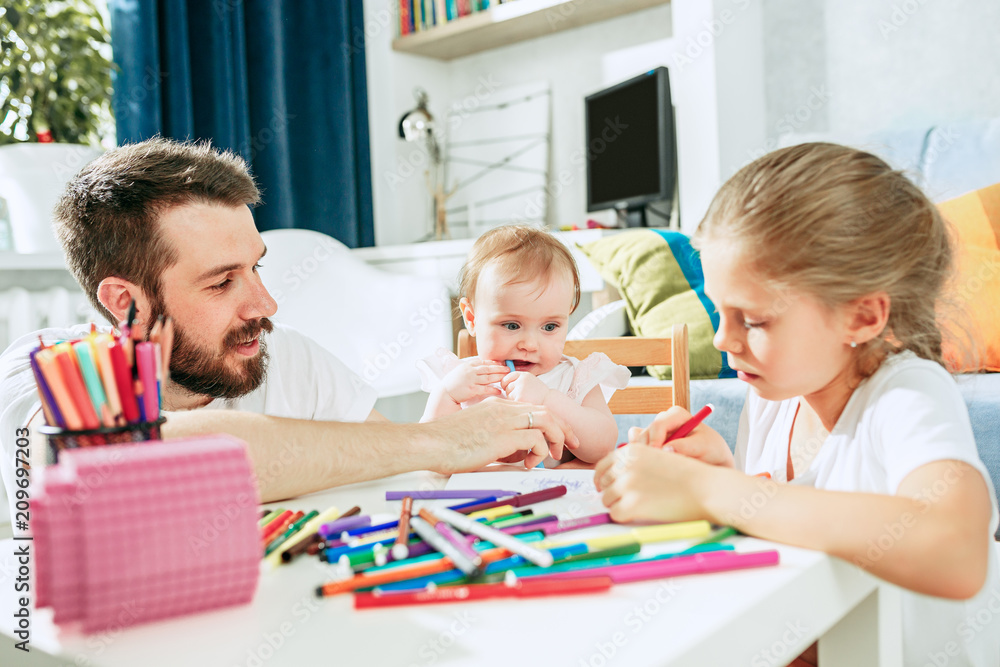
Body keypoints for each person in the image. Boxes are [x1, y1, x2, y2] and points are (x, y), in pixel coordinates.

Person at [0, 138, 577, 518]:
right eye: (222, 282)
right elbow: (145, 457)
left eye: (257, 266)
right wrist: (444, 439)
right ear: (126, 303)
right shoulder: (43, 376)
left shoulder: (288, 358)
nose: (265, 304)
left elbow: (400, 465)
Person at [594, 143, 999, 666]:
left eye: (754, 320)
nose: (722, 340)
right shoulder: (775, 397)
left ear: (862, 317)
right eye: (719, 311)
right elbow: (803, 539)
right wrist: (721, 477)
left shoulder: (907, 393)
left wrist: (715, 491)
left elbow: (956, 552)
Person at [418, 225, 629, 465]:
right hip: (478, 499)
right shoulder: (461, 381)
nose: (529, 344)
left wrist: (547, 398)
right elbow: (428, 452)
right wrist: (446, 395)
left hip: (552, 498)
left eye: (549, 327)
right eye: (511, 325)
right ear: (472, 319)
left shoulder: (574, 378)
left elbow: (602, 447)